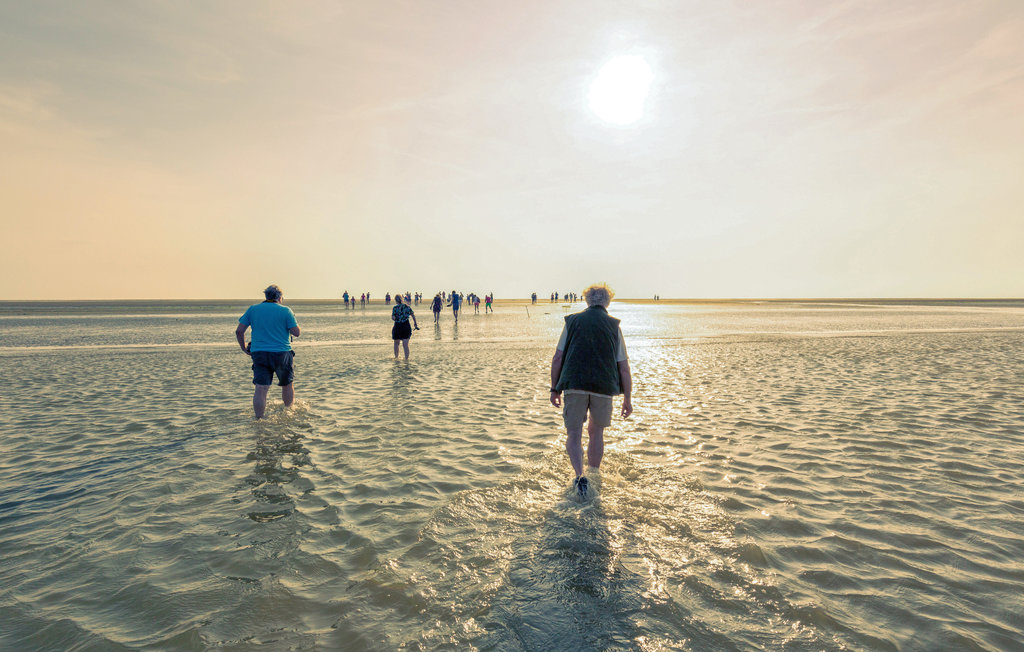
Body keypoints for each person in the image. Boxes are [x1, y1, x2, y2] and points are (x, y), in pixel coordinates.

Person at [549, 283, 632, 499]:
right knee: (596, 432)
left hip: (574, 383)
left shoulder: (572, 321)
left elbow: (558, 357)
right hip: (603, 386)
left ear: (587, 300)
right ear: (607, 302)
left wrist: (554, 388)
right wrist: (628, 399)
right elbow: (623, 366)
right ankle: (593, 475)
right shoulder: (614, 325)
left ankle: (579, 476)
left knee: (574, 432)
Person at [235, 284, 301, 419]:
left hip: (259, 353)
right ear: (279, 297)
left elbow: (239, 331)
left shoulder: (253, 309)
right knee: (287, 384)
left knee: (261, 388)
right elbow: (297, 332)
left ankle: (259, 418)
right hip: (282, 353)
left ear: (266, 296)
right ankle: (289, 412)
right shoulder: (286, 311)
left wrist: (243, 348)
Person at [391, 293, 419, 359]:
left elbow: (393, 318)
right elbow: (413, 315)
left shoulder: (395, 308)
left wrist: (396, 317)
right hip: (406, 326)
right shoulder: (407, 306)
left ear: (395, 300)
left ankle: (396, 357)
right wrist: (415, 323)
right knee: (405, 344)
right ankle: (406, 359)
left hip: (397, 326)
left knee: (396, 343)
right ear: (402, 299)